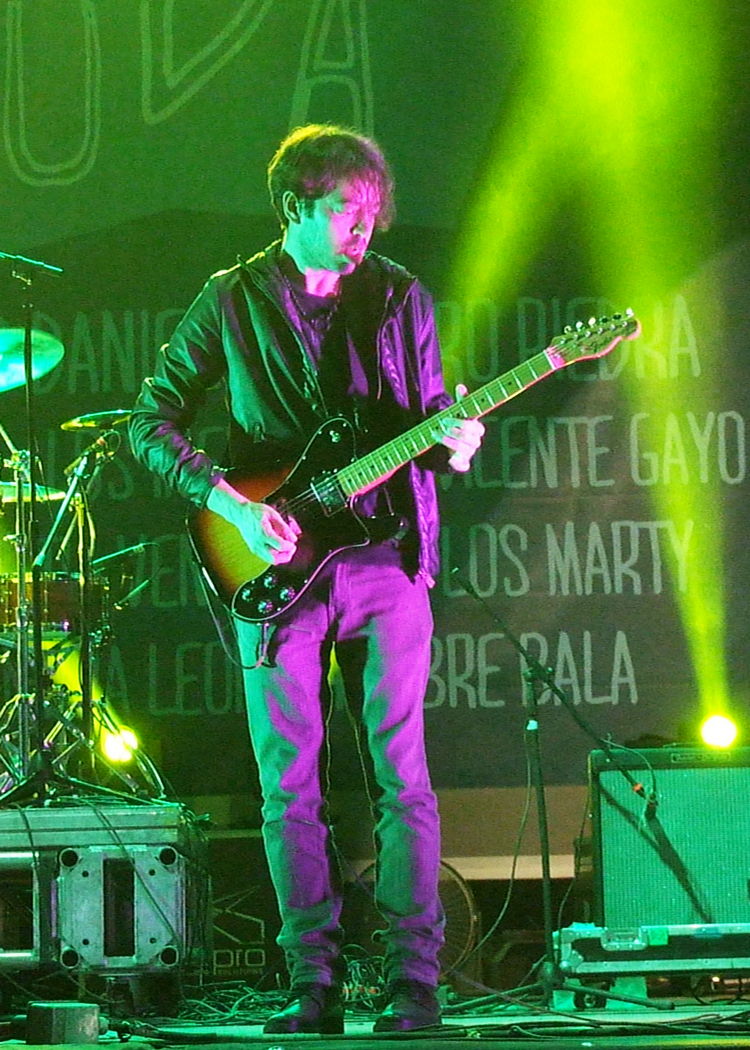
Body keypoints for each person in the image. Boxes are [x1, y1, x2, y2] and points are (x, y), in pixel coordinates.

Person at [129, 123, 484, 1034]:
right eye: (345, 210)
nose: (364, 227)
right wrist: (236, 507)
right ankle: (310, 984)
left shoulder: (399, 296)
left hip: (386, 562)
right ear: (293, 206)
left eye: (373, 211)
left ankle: (414, 984)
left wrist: (457, 440)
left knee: (402, 777)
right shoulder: (231, 298)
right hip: (275, 563)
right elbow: (150, 421)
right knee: (290, 786)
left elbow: (431, 420)